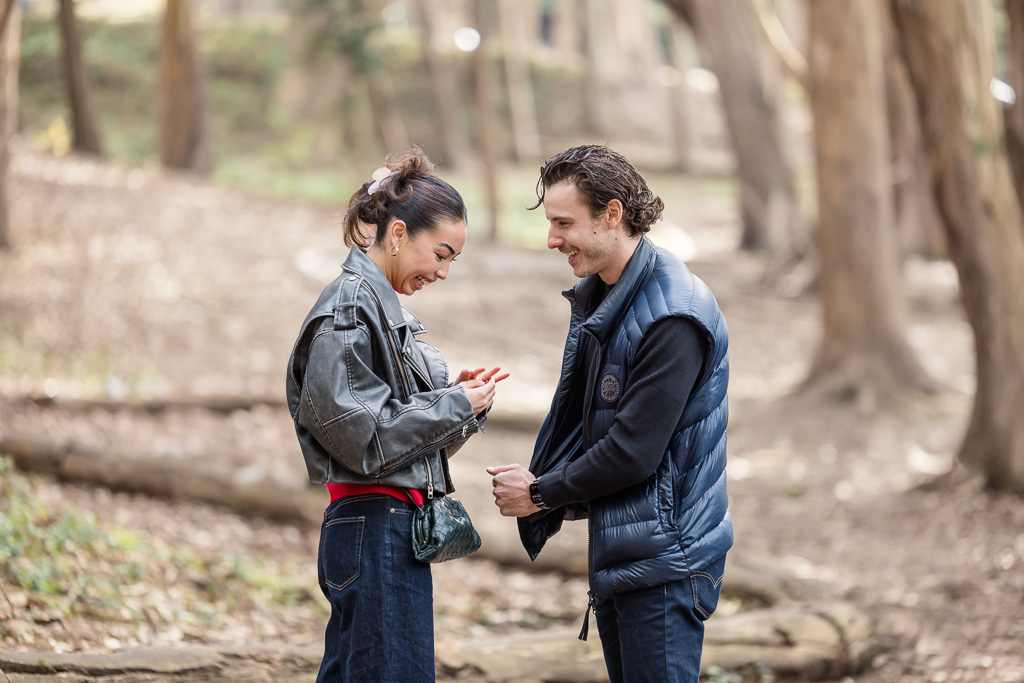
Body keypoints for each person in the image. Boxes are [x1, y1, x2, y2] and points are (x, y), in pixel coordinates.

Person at [487, 144, 731, 683]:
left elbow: (632, 452)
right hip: (626, 551)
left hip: (665, 562)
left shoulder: (673, 313)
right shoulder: (610, 294)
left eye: (564, 223)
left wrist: (540, 492)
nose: (552, 239)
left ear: (612, 214)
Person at [286, 147, 507, 683]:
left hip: (389, 529)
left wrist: (462, 405)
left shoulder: (385, 310)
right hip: (374, 528)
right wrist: (452, 405)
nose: (444, 272)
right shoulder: (348, 308)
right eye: (441, 253)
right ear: (400, 233)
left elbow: (403, 442)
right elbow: (363, 443)